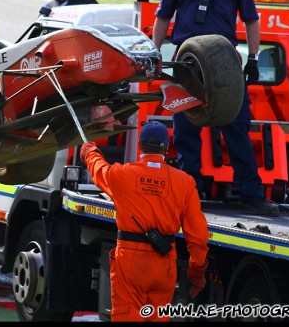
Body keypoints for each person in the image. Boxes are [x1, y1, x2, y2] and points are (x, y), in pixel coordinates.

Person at [151, 0, 278, 217]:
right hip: (187, 66)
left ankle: (251, 195)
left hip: (225, 68)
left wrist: (255, 58)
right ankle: (188, 195)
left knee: (236, 128)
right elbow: (163, 16)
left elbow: (251, 20)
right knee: (185, 132)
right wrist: (154, 52)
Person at [79, 121, 209, 322]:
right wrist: (197, 273)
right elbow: (198, 235)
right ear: (166, 147)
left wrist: (89, 151)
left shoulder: (122, 175)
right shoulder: (184, 182)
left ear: (140, 145)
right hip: (164, 263)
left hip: (130, 261)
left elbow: (98, 170)